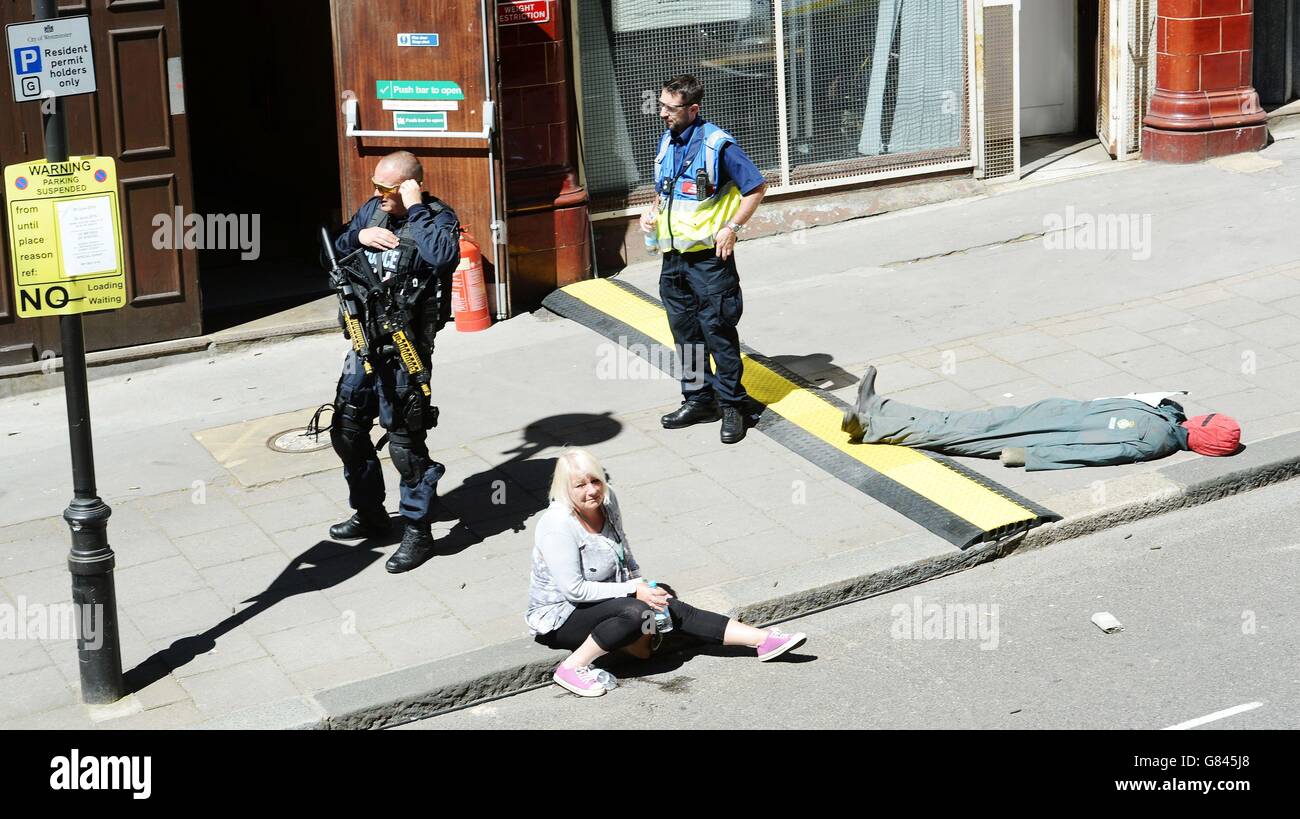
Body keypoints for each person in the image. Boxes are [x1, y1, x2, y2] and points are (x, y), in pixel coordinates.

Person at [526, 448, 808, 697]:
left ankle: (763, 641)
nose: (592, 491)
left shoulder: (607, 501)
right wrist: (633, 591)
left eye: (596, 481)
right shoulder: (557, 526)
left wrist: (641, 583)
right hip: (562, 614)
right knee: (638, 612)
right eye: (580, 485)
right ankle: (572, 667)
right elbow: (573, 590)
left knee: (671, 608)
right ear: (564, 489)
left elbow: (623, 547)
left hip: (607, 598)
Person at [325, 151, 461, 573]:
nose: (377, 195)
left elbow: (443, 258)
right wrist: (359, 238)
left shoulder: (436, 218)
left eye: (387, 189)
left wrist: (415, 205)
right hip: (365, 342)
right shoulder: (373, 212)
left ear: (409, 185)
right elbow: (339, 247)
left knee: (405, 444)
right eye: (376, 186)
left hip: (406, 350)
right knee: (346, 428)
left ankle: (418, 534)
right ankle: (370, 514)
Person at [640, 74, 768, 445]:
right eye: (661, 105)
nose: (661, 113)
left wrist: (733, 228)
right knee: (686, 335)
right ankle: (698, 400)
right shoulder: (668, 142)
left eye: (669, 107)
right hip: (673, 259)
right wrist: (650, 213)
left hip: (710, 261)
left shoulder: (718, 145)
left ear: (693, 109)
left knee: (718, 334)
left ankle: (732, 407)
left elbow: (756, 187)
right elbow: (664, 193)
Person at [841, 366, 1242, 471]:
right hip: (1045, 415)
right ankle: (880, 407)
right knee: (961, 422)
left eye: (1206, 422)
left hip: (1040, 431)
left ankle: (873, 426)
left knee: (957, 433)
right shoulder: (1166, 416)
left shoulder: (1156, 439)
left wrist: (1030, 456)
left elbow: (1095, 452)